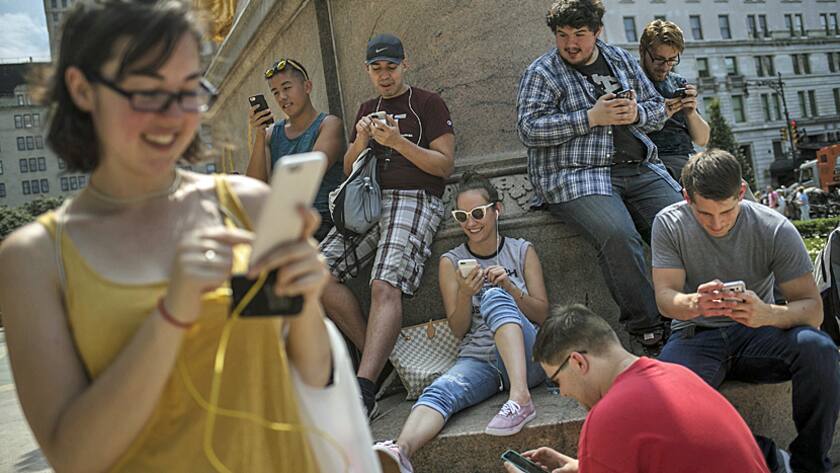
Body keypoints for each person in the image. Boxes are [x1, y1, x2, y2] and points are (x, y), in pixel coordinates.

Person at [0, 2, 379, 472]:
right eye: (148, 91)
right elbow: (73, 456)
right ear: (82, 89)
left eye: (187, 90)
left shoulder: (247, 205)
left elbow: (316, 374)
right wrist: (171, 313)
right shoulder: (33, 258)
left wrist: (301, 302)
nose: (173, 115)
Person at [652, 150, 840, 473]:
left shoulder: (774, 227)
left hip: (759, 333)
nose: (717, 223)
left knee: (820, 349)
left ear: (741, 191)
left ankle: (810, 464)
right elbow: (665, 297)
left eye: (726, 211)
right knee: (663, 402)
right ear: (686, 197)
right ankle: (767, 456)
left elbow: (813, 310)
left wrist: (767, 314)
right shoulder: (669, 223)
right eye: (704, 213)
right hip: (694, 336)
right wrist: (694, 303)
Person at [516, 0, 681, 355]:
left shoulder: (620, 59)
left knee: (684, 223)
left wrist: (636, 113)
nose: (570, 44)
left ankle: (695, 315)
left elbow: (657, 109)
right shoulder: (542, 72)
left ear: (597, 32)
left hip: (638, 167)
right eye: (562, 35)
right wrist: (590, 117)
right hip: (576, 174)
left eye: (579, 34)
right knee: (617, 234)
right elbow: (529, 129)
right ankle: (650, 330)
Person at [319, 33, 456, 418]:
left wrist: (397, 142)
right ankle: (381, 365)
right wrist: (363, 138)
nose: (384, 76)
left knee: (384, 283)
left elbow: (444, 166)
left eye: (391, 68)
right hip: (368, 202)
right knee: (314, 274)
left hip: (416, 197)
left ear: (404, 65)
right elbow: (349, 167)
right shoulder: (367, 107)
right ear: (367, 71)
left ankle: (364, 388)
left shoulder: (428, 103)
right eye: (376, 69)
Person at [374, 172, 548, 473]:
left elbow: (543, 315)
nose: (470, 223)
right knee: (440, 390)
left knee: (494, 297)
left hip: (528, 356)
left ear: (497, 210)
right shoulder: (451, 261)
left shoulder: (521, 250)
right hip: (479, 359)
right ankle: (400, 452)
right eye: (461, 216)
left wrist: (510, 289)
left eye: (478, 213)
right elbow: (458, 329)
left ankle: (520, 398)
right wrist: (466, 294)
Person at [503, 304, 770, 473]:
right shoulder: (680, 373)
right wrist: (582, 467)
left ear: (577, 362)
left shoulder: (609, 416)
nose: (562, 393)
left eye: (557, 381)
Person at [245, 57, 345, 241]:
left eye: (287, 88)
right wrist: (259, 136)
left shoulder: (329, 125)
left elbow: (306, 177)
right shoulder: (271, 134)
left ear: (307, 86)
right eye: (275, 92)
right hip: (283, 224)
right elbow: (254, 187)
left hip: (320, 222)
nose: (281, 97)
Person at [639, 20, 710, 182]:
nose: (665, 66)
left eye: (671, 60)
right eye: (659, 59)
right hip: (655, 159)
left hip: (687, 157)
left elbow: (702, 139)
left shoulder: (678, 82)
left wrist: (691, 113)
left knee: (735, 184)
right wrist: (660, 112)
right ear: (642, 51)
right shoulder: (629, 80)